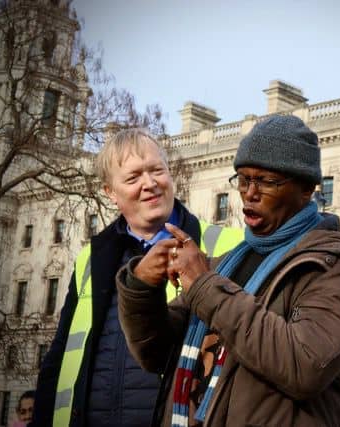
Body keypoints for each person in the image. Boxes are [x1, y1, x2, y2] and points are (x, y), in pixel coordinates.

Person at [116, 115, 340, 426]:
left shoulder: (331, 269)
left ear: (306, 189)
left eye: (266, 181)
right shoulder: (225, 264)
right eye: (243, 179)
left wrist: (205, 286)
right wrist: (141, 287)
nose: (250, 193)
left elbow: (305, 366)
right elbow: (156, 354)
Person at [30, 129, 242, 427]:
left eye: (157, 170)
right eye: (133, 178)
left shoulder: (229, 245)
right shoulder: (90, 259)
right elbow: (59, 357)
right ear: (110, 192)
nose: (150, 184)